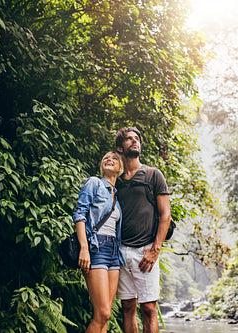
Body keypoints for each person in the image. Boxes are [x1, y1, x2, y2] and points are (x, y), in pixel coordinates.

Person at [114, 127, 172, 333]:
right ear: (120, 147)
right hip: (121, 253)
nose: (134, 141)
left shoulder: (152, 175)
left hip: (146, 251)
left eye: (137, 138)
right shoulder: (116, 181)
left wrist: (155, 250)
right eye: (129, 139)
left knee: (148, 308)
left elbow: (166, 215)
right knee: (127, 307)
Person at [72, 151, 125, 333]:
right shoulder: (94, 183)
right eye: (105, 158)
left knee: (106, 315)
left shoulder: (116, 197)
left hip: (114, 254)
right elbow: (80, 215)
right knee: (102, 314)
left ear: (120, 169)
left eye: (114, 159)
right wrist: (84, 248)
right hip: (96, 247)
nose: (109, 160)